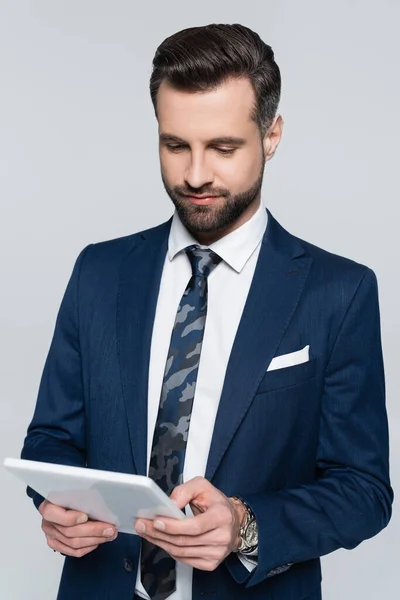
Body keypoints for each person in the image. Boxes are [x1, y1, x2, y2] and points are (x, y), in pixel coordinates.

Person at [21, 23, 393, 600]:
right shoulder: (98, 273)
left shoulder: (337, 293)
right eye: (175, 146)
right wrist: (56, 505)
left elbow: (364, 489)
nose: (195, 175)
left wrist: (247, 525)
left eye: (223, 148)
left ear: (271, 136)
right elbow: (50, 439)